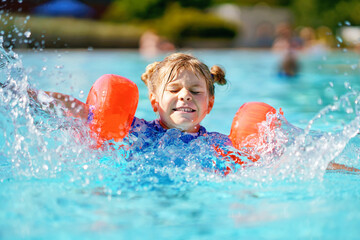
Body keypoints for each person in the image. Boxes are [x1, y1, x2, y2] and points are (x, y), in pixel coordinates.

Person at [26, 52, 358, 173]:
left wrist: (348, 170)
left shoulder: (221, 145)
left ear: (209, 104)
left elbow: (299, 159)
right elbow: (79, 111)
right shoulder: (134, 130)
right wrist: (25, 96)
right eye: (174, 90)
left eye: (196, 91)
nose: (185, 96)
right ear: (155, 101)